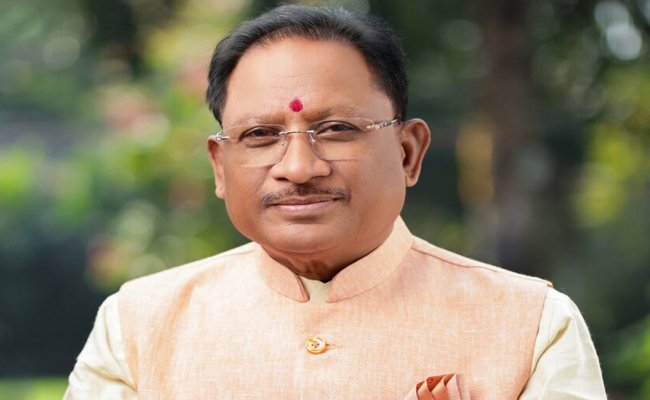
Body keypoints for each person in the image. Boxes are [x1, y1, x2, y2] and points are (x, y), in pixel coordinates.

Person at [64, 4, 606, 399]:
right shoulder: (139, 326)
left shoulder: (530, 323)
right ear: (219, 167)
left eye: (338, 129)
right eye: (260, 135)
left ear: (408, 152)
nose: (299, 168)